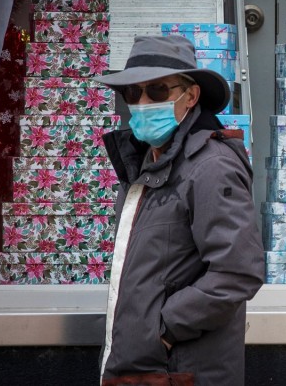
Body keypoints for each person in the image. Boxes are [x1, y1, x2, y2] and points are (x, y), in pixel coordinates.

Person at [93, 35, 265, 386]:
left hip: (180, 371)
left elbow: (237, 273)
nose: (141, 103)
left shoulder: (211, 166)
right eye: (131, 93)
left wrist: (161, 329)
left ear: (191, 96)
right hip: (141, 367)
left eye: (156, 90)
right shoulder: (144, 164)